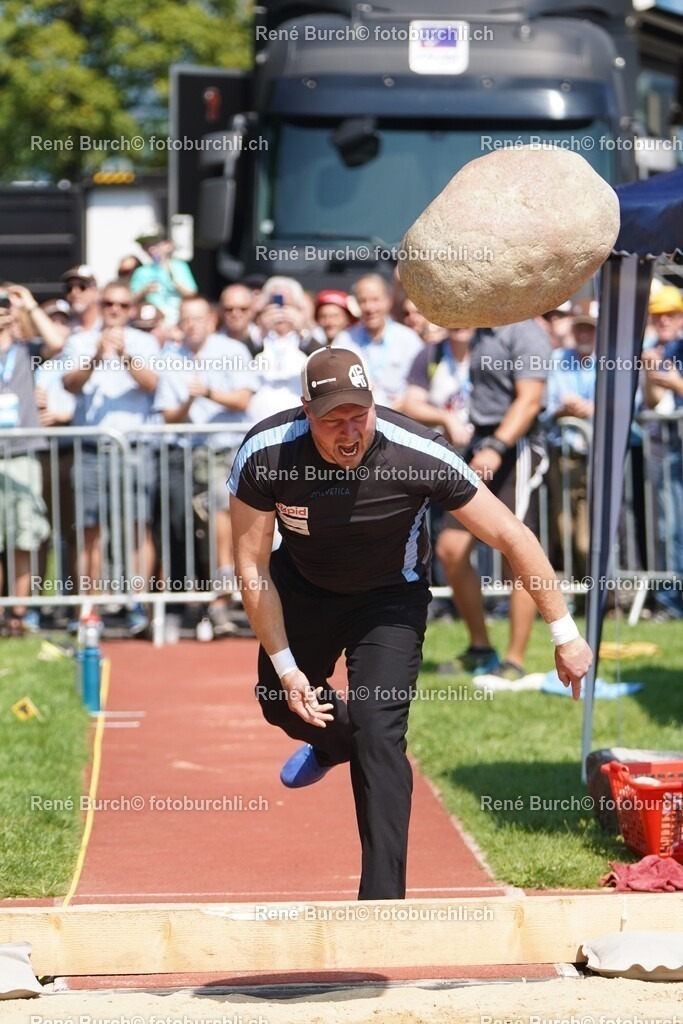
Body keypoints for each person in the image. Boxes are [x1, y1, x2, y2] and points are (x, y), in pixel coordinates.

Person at [229, 346, 592, 900]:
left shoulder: (418, 452)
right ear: (305, 411)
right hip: (302, 590)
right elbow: (252, 568)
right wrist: (285, 667)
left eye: (360, 415)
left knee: (379, 732)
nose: (349, 433)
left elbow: (511, 535)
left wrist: (564, 634)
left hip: (388, 600)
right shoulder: (266, 452)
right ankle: (332, 742)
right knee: (278, 702)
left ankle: (383, 905)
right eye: (333, 421)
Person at [434, 318, 552, 681]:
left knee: (517, 552)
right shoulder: (482, 330)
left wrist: (498, 446)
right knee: (450, 549)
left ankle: (514, 661)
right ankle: (481, 648)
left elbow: (530, 400)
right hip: (481, 443)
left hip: (514, 447)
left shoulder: (526, 332)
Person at [155, 295, 257, 634]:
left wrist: (209, 392)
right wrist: (189, 400)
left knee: (219, 506)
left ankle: (223, 592)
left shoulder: (233, 350)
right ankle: (195, 602)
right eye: (185, 319)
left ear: (211, 321)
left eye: (198, 318)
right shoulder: (170, 359)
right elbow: (170, 416)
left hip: (227, 451)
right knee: (182, 527)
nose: (192, 325)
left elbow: (243, 398)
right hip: (184, 455)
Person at [62, 280, 159, 635]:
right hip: (91, 449)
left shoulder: (146, 342)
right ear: (100, 306)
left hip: (134, 449)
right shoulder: (79, 340)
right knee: (90, 530)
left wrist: (125, 356)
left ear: (131, 310)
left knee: (137, 526)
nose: (115, 310)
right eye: (109, 304)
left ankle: (136, 604)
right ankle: (91, 607)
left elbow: (151, 384)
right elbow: (69, 384)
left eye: (122, 305)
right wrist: (97, 356)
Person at [642, 284, 683, 620]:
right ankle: (671, 600)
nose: (664, 320)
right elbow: (654, 403)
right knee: (670, 527)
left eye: (670, 314)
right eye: (658, 315)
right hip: (671, 450)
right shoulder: (660, 351)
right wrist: (652, 375)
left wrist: (675, 383)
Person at [334, 274, 424, 409]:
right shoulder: (344, 340)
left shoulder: (408, 339)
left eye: (375, 300)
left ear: (388, 301)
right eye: (363, 301)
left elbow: (421, 384)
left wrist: (405, 402)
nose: (369, 307)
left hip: (401, 417)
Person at [130, 225, 197, 324]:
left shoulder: (179, 266)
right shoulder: (141, 272)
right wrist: (144, 291)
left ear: (168, 244)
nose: (151, 248)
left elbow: (192, 294)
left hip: (178, 319)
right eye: (147, 245)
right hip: (152, 321)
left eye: (155, 243)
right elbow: (129, 299)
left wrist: (174, 282)